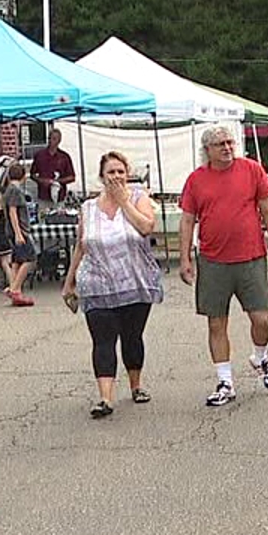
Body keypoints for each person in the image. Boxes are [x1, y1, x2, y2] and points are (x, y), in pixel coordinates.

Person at [179, 125, 268, 407]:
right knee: (216, 322)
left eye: (230, 142)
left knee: (261, 319)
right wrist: (184, 258)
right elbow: (188, 220)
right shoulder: (196, 180)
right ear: (208, 151)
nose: (227, 148)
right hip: (214, 261)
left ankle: (260, 357)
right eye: (220, 144)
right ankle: (225, 381)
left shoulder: (252, 170)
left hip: (251, 257)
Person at [67, 151, 164, 418]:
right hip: (97, 283)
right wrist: (69, 282)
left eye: (121, 171)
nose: (116, 177)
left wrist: (124, 203)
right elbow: (81, 245)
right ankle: (105, 398)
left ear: (127, 173)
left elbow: (146, 228)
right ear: (102, 177)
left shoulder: (138, 198)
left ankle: (136, 385)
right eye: (111, 172)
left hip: (135, 282)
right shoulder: (88, 208)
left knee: (132, 337)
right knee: (103, 340)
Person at [2, 162, 37, 307]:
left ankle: (13, 286)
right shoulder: (15, 190)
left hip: (12, 230)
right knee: (30, 258)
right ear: (23, 176)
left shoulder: (9, 189)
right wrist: (19, 233)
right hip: (19, 230)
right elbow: (13, 211)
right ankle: (15, 289)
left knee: (17, 261)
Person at [31, 128, 77, 212]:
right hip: (43, 196)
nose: (51, 141)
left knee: (58, 220)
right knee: (43, 221)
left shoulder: (64, 157)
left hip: (59, 197)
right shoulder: (39, 155)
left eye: (54, 138)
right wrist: (41, 180)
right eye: (49, 138)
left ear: (59, 140)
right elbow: (32, 174)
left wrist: (57, 182)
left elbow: (72, 177)